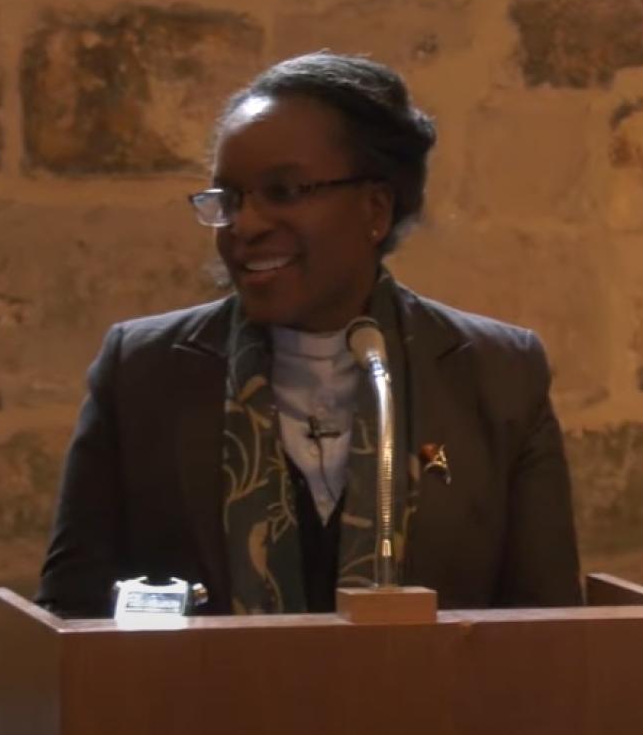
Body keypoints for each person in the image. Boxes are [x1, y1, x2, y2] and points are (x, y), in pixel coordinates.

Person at [37, 51, 581, 617]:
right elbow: (68, 616)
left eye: (284, 192)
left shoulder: (498, 374)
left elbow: (549, 629)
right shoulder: (143, 372)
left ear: (375, 208)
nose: (245, 226)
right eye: (230, 199)